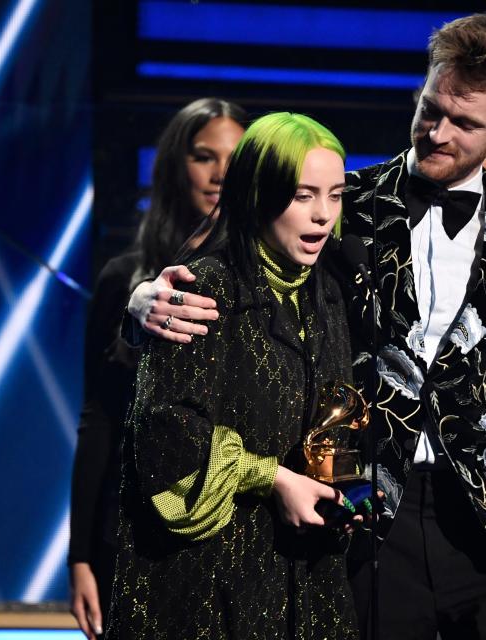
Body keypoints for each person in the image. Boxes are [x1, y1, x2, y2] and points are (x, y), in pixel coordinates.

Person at [128, 14, 486, 640]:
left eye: (466, 123)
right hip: (368, 519)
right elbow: (218, 262)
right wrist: (140, 301)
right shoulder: (339, 202)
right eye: (431, 109)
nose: (437, 132)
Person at [106, 112, 359, 639]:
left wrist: (346, 494)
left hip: (302, 581)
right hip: (206, 582)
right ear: (257, 193)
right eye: (302, 195)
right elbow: (164, 434)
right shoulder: (204, 289)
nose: (322, 216)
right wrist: (272, 478)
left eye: (334, 195)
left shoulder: (326, 293)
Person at [67, 97, 245, 640]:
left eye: (234, 158)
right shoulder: (124, 280)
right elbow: (99, 418)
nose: (219, 174)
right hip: (131, 531)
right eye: (202, 156)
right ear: (174, 166)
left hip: (235, 533)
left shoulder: (263, 284)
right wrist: (79, 558)